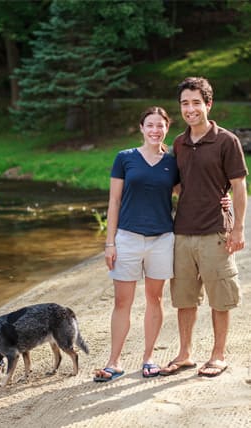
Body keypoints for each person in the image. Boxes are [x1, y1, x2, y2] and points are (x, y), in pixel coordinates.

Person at [159, 77, 247, 378]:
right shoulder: (179, 143)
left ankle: (218, 354)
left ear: (208, 104)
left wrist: (238, 229)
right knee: (184, 297)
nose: (190, 108)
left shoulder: (226, 141)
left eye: (196, 102)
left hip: (215, 232)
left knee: (220, 296)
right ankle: (184, 354)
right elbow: (178, 184)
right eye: (185, 103)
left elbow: (238, 186)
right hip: (182, 232)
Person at [94, 106, 179, 382]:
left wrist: (223, 198)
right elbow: (114, 201)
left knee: (155, 299)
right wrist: (110, 242)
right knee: (122, 302)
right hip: (127, 238)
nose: (155, 130)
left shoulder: (173, 162)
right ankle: (114, 362)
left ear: (167, 128)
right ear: (141, 128)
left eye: (160, 125)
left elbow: (189, 192)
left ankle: (148, 358)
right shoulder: (125, 158)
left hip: (162, 239)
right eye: (150, 125)